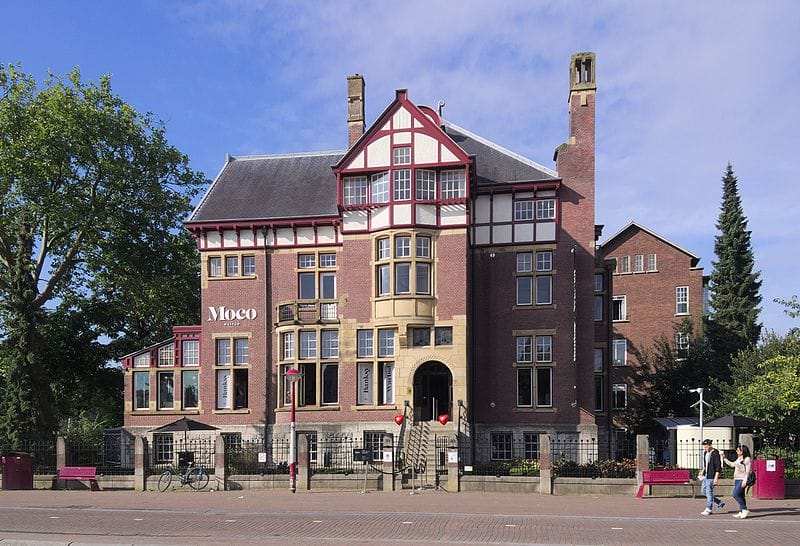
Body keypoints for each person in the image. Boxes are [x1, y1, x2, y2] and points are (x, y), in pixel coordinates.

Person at [697, 439, 725, 515]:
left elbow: (718, 466)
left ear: (710, 445)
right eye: (704, 447)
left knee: (709, 492)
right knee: (703, 491)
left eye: (706, 447)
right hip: (706, 475)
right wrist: (702, 470)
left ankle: (709, 508)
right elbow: (706, 464)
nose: (705, 448)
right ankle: (719, 502)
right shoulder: (705, 453)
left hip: (712, 476)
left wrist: (716, 477)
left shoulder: (715, 453)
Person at [723, 445, 752, 518]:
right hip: (737, 479)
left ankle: (744, 509)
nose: (736, 451)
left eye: (738, 450)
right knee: (741, 495)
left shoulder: (747, 459)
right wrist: (724, 458)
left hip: (742, 479)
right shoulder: (739, 458)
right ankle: (741, 510)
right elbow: (732, 465)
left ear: (742, 451)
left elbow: (747, 472)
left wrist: (744, 481)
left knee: (735, 494)